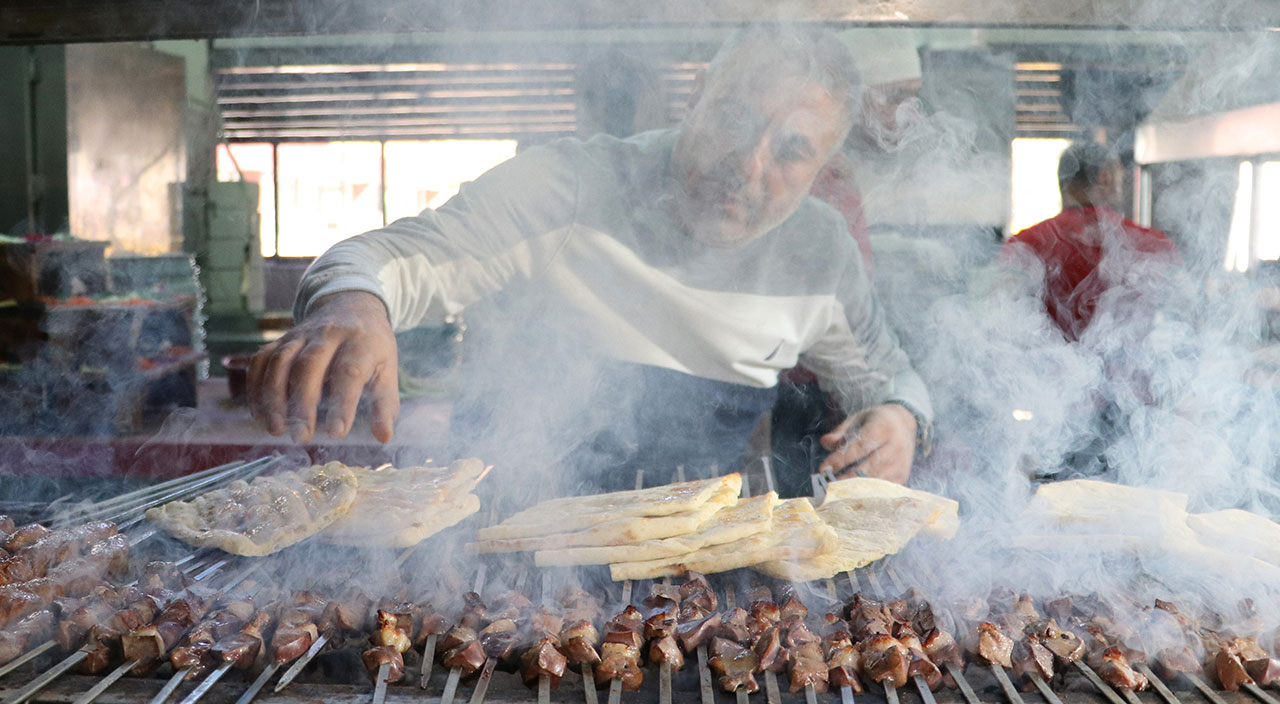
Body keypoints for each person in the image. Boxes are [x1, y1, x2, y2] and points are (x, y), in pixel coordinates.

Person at [247, 24, 933, 493]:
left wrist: (900, 418)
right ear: (696, 98)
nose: (747, 167)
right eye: (734, 119)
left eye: (791, 151)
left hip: (686, 564)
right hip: (509, 548)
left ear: (823, 168)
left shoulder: (818, 252)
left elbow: (885, 373)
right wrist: (353, 302)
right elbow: (394, 258)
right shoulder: (571, 184)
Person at [1001, 141, 1181, 342]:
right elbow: (1182, 318)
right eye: (1120, 179)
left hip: (1043, 371)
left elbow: (1004, 320)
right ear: (1105, 178)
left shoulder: (1023, 246)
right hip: (1132, 372)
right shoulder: (1153, 245)